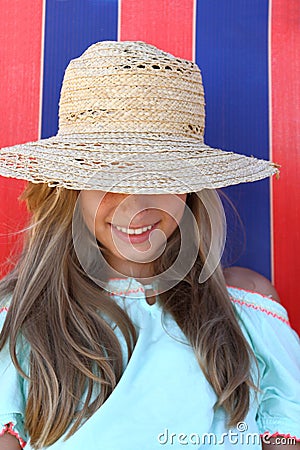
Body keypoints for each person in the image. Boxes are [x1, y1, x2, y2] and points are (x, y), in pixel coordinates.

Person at [0, 41, 299, 450]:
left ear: (191, 188)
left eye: (159, 178)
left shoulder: (247, 310)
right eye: (109, 177)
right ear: (72, 189)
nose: (135, 206)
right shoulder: (22, 322)